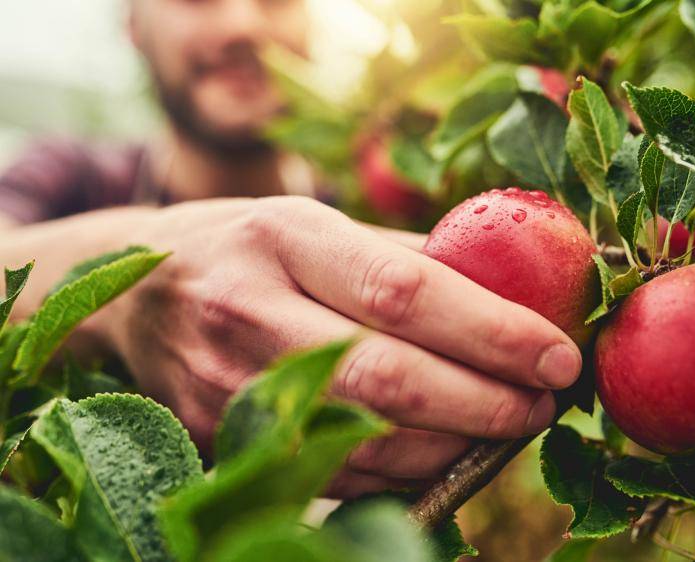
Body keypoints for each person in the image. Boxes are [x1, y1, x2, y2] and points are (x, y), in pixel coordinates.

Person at [0, 0, 582, 498]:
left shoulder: (373, 225)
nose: (243, 24)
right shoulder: (69, 180)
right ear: (134, 24)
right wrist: (131, 283)